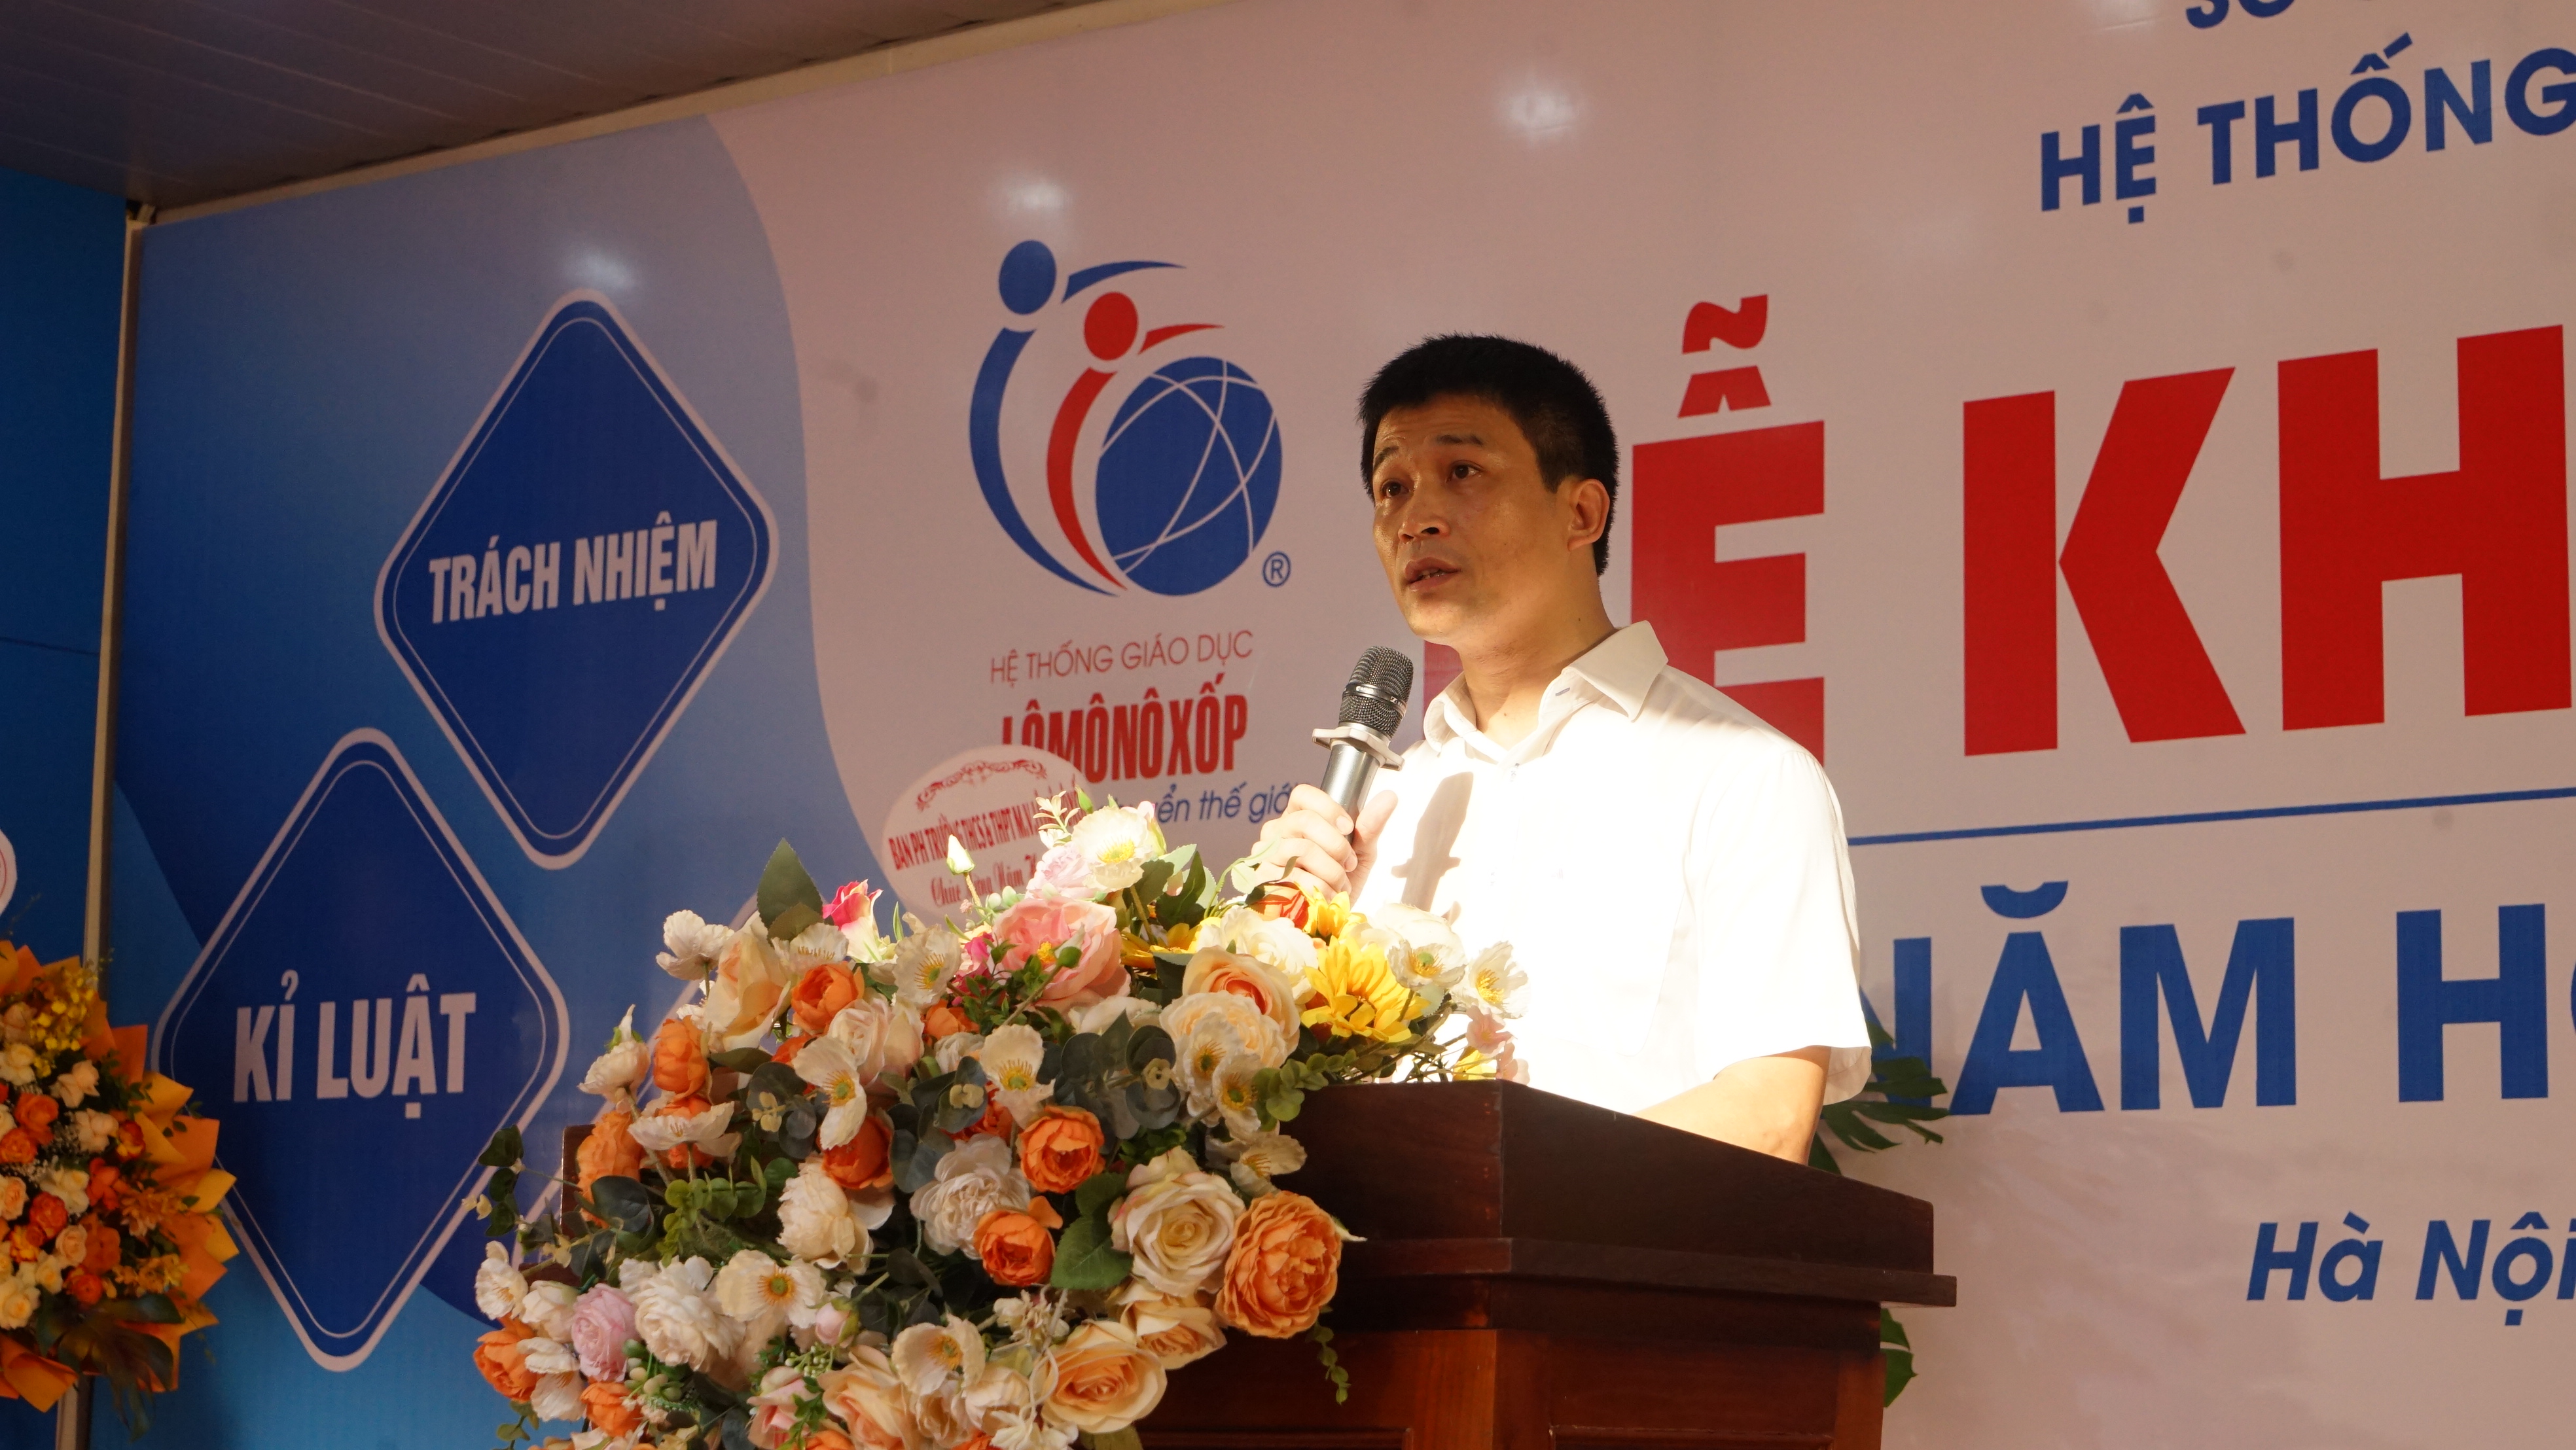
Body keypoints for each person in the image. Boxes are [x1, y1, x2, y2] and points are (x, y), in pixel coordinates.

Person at [1249, 334, 1868, 1162]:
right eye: (1391, 487)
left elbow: (1767, 1116)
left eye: (1462, 472)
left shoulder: (1742, 775)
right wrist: (1278, 945)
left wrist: (1493, 1188)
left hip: (1620, 1249)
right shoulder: (1375, 812)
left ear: (1582, 513)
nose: (1414, 517)